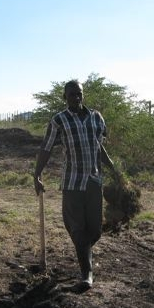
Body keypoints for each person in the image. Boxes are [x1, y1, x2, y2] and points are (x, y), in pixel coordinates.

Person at [34, 80, 115, 291]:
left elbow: (99, 147)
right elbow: (46, 148)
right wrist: (37, 173)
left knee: (95, 231)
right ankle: (86, 274)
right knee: (78, 229)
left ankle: (83, 251)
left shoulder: (96, 117)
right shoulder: (58, 121)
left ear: (83, 95)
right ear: (65, 97)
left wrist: (114, 169)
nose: (76, 98)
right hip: (72, 183)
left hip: (94, 182)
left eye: (79, 94)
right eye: (71, 95)